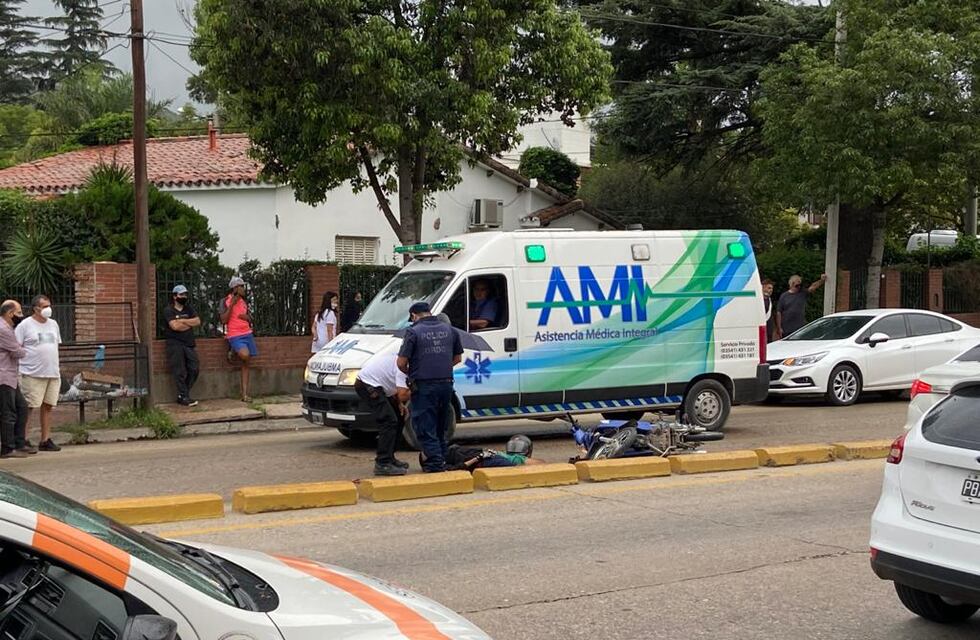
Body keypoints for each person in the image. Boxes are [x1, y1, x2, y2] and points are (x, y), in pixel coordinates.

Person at [397, 302, 463, 472]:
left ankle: (434, 464)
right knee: (441, 425)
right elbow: (457, 358)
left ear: (413, 316)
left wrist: (412, 371)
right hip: (446, 384)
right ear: (429, 312)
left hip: (424, 385)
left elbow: (401, 362)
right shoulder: (450, 330)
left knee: (426, 426)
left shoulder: (413, 332)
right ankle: (443, 459)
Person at [14, 295, 62, 453]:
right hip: (32, 372)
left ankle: (45, 439)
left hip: (52, 372)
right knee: (29, 406)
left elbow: (55, 345)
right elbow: (16, 347)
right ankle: (23, 439)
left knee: (48, 406)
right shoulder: (25, 325)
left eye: (49, 305)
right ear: (36, 308)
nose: (48, 308)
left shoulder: (53, 324)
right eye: (44, 306)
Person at [354, 353, 411, 476]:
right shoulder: (403, 366)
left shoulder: (406, 360)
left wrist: (399, 404)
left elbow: (395, 386)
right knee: (388, 421)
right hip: (367, 385)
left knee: (399, 416)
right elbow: (403, 394)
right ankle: (382, 463)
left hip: (381, 387)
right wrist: (420, 390)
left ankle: (390, 457)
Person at [0, 301, 34, 458]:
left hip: (11, 375)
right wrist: (21, 349)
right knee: (8, 412)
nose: (21, 316)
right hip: (4, 375)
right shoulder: (3, 329)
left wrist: (18, 349)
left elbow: (15, 350)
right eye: (18, 313)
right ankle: (8, 448)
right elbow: (17, 351)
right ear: (9, 313)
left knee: (22, 407)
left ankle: (19, 443)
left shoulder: (8, 328)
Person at [220, 276, 257, 402]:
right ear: (234, 288)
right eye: (240, 286)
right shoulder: (226, 301)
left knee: (247, 363)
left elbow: (250, 317)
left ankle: (245, 394)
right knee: (244, 355)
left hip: (247, 332)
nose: (243, 288)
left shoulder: (244, 301)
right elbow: (224, 320)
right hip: (235, 334)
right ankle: (234, 349)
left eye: (243, 286)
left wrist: (247, 317)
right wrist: (232, 305)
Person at [163, 285, 201, 407]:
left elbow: (198, 321)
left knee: (194, 369)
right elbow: (175, 326)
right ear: (175, 296)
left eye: (185, 294)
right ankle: (184, 396)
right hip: (175, 344)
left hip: (188, 343)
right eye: (181, 295)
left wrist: (182, 321)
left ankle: (183, 393)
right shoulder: (169, 310)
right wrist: (189, 324)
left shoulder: (188, 308)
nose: (183, 297)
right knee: (179, 371)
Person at [446, 435, 545, 471]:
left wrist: (477, 458)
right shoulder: (440, 459)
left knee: (515, 467)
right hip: (484, 458)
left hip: (486, 458)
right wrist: (476, 458)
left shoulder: (441, 458)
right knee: (515, 466)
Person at [776, 273, 827, 339]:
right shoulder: (784, 296)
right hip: (787, 327)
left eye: (800, 285)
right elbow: (778, 312)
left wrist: (821, 280)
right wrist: (779, 327)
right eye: (797, 285)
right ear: (791, 284)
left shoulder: (802, 293)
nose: (799, 287)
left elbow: (812, 287)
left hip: (800, 327)